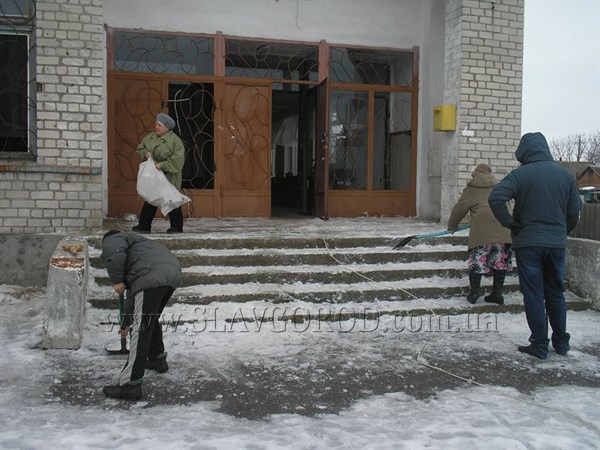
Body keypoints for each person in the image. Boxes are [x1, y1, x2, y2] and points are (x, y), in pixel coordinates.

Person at [489, 132, 582, 360]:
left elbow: (496, 198)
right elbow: (574, 210)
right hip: (556, 244)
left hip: (528, 243)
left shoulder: (520, 175)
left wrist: (510, 223)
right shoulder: (565, 175)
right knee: (556, 293)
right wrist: (562, 231)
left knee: (533, 295)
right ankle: (561, 343)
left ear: (524, 153)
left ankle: (539, 345)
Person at [101, 230, 182, 400]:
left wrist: (117, 280)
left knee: (140, 328)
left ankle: (130, 385)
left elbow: (114, 256)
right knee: (149, 319)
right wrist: (126, 323)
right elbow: (133, 297)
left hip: (152, 276)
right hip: (171, 273)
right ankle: (156, 359)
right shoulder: (141, 249)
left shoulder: (114, 239)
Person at [448, 163, 512, 305]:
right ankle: (497, 294)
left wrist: (452, 225)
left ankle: (474, 293)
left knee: (478, 259)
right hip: (503, 227)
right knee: (499, 260)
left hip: (482, 230)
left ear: (476, 174)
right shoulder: (499, 187)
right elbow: (509, 208)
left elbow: (459, 209)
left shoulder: (472, 188)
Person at [132, 112, 185, 234]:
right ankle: (144, 226)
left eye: (160, 125)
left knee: (172, 200)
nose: (157, 127)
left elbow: (178, 159)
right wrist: (146, 153)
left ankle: (176, 227)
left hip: (169, 176)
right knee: (151, 198)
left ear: (167, 127)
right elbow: (140, 148)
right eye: (156, 124)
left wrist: (162, 165)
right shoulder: (150, 137)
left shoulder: (175, 141)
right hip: (153, 175)